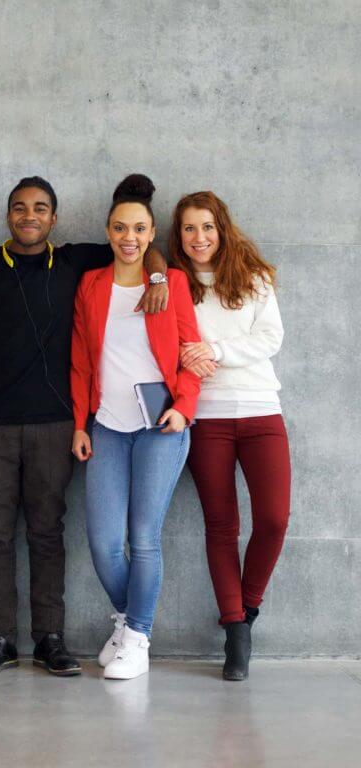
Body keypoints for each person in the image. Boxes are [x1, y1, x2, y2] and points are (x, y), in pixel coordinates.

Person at [0, 176, 169, 676]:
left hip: (58, 423)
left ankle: (50, 639)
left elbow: (143, 248)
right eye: (19, 207)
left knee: (47, 532)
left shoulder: (77, 261)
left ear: (54, 218)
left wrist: (159, 280)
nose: (28, 215)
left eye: (39, 208)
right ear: (7, 215)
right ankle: (0, 638)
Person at [71, 174, 200, 680]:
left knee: (143, 537)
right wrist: (80, 423)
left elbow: (190, 355)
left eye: (139, 228)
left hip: (161, 428)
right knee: (104, 542)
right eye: (121, 227)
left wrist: (184, 407)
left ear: (151, 234)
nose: (129, 236)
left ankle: (138, 638)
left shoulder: (171, 283)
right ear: (108, 230)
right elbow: (80, 360)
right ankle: (129, 624)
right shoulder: (92, 285)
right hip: (106, 427)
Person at [169, 191, 290, 681]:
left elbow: (270, 339)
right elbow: (173, 344)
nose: (199, 238)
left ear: (222, 228)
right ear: (178, 237)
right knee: (222, 526)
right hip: (209, 418)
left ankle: (250, 603)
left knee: (275, 519)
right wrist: (187, 354)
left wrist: (211, 349)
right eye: (189, 229)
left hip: (262, 412)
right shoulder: (175, 285)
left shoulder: (255, 278)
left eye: (207, 227)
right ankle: (235, 627)